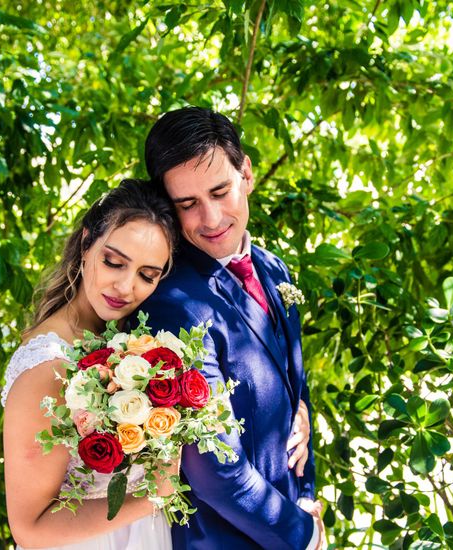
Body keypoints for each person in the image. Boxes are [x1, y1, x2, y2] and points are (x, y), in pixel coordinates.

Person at [139, 107, 324, 549]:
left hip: (293, 511)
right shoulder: (173, 304)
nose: (211, 217)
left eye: (221, 191)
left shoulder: (274, 269)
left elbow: (296, 390)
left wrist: (308, 498)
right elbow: (215, 472)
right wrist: (305, 537)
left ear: (247, 174)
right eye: (188, 204)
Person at [1, 179, 180, 549]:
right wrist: (151, 497)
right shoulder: (48, 367)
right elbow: (29, 527)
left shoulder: (130, 344)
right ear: (86, 244)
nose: (126, 287)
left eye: (148, 275)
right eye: (114, 262)